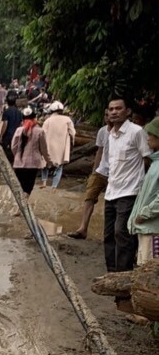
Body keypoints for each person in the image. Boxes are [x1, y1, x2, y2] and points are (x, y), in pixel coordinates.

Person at [102, 95, 149, 275]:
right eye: (111, 109)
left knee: (122, 233)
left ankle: (124, 274)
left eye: (118, 108)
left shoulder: (136, 132)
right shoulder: (110, 134)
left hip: (129, 192)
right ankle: (111, 273)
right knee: (108, 235)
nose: (114, 112)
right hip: (111, 191)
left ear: (128, 111)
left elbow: (147, 159)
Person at [67, 110, 110, 240]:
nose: (108, 117)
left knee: (112, 203)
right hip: (100, 171)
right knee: (89, 198)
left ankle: (110, 234)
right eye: (106, 114)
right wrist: (94, 171)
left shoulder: (126, 134)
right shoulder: (103, 131)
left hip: (116, 174)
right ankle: (83, 228)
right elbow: (99, 151)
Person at [129, 118, 159, 267]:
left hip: (153, 228)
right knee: (144, 266)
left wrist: (144, 213)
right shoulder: (155, 163)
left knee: (151, 271)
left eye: (151, 134)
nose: (147, 138)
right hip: (147, 227)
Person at [10, 106, 51, 196]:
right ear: (34, 118)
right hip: (33, 165)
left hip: (19, 164)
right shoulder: (40, 131)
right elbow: (44, 150)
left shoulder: (18, 130)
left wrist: (17, 157)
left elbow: (13, 147)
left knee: (20, 188)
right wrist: (49, 162)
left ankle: (19, 207)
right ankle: (22, 208)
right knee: (27, 189)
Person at [39, 101, 75, 189]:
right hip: (61, 147)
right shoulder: (67, 120)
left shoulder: (48, 120)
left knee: (45, 164)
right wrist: (72, 142)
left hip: (49, 146)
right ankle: (54, 186)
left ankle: (44, 182)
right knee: (59, 166)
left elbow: (42, 133)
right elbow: (73, 133)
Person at [0, 93, 23, 168]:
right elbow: (21, 124)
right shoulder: (19, 112)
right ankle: (12, 167)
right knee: (14, 152)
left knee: (3, 153)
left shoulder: (7, 111)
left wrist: (1, 136)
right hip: (16, 135)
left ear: (7, 102)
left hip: (8, 135)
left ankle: (1, 168)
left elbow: (5, 124)